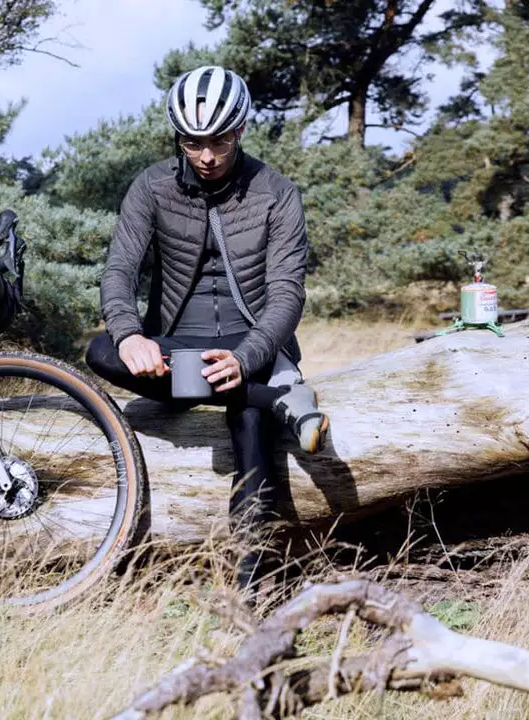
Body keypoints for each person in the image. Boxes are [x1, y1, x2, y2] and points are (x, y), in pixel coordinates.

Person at [84, 65, 330, 592]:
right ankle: (278, 399)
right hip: (176, 348)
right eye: (193, 143)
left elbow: (288, 292)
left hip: (250, 345)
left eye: (219, 140)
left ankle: (249, 588)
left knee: (251, 433)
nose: (207, 156)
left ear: (240, 130)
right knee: (101, 351)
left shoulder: (277, 192)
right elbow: (120, 270)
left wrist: (246, 357)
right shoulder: (151, 187)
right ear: (178, 138)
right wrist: (130, 334)